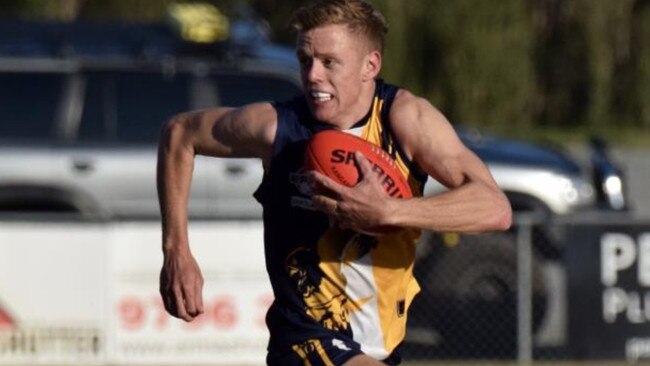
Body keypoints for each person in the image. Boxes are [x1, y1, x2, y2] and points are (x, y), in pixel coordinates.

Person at [157, 0, 512, 365]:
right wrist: (176, 251)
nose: (312, 75)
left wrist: (392, 211)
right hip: (305, 338)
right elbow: (180, 134)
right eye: (305, 60)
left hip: (381, 348)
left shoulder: (403, 119)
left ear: (369, 65)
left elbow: (495, 208)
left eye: (329, 62)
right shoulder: (279, 129)